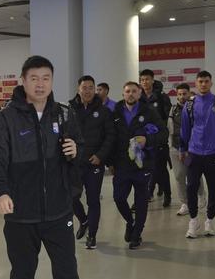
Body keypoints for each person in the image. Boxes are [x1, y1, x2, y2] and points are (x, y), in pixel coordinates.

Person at [0, 55, 92, 279]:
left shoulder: (65, 114)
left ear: (52, 81)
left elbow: (81, 150)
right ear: (23, 80)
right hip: (21, 216)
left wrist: (76, 152)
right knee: (23, 275)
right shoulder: (7, 118)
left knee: (68, 277)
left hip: (58, 213)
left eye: (46, 78)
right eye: (34, 78)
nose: (40, 84)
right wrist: (1, 192)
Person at [109, 81, 167, 249]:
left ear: (140, 93)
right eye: (128, 91)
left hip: (143, 163)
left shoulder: (149, 111)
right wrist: (110, 162)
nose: (131, 94)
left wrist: (147, 140)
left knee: (141, 201)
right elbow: (110, 138)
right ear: (123, 94)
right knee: (119, 198)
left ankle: (137, 234)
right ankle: (130, 221)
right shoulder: (115, 113)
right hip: (121, 164)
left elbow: (164, 133)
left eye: (134, 91)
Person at [180, 70, 215, 239]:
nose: (203, 84)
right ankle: (193, 221)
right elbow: (184, 129)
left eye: (206, 81)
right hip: (194, 153)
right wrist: (182, 149)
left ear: (211, 83)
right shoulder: (189, 104)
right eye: (200, 81)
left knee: (214, 188)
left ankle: (209, 220)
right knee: (191, 187)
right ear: (196, 83)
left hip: (214, 153)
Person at [69, 75, 116, 249]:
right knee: (71, 197)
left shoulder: (103, 111)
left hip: (94, 163)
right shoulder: (70, 110)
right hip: (74, 163)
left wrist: (100, 156)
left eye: (91, 88)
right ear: (78, 89)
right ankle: (84, 220)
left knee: (93, 200)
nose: (88, 91)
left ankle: (92, 235)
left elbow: (110, 136)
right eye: (84, 87)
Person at [169, 83, 205, 216]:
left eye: (184, 94)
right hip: (175, 147)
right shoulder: (173, 109)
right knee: (179, 176)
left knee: (194, 174)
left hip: (192, 148)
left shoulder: (195, 108)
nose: (182, 96)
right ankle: (185, 203)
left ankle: (201, 195)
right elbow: (169, 128)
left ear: (189, 94)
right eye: (179, 94)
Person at [139, 69, 172, 207]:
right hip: (143, 139)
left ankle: (167, 194)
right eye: (142, 80)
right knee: (144, 169)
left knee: (161, 169)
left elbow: (167, 118)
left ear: (152, 80)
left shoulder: (162, 97)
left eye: (147, 79)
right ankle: (146, 195)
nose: (145, 82)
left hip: (159, 139)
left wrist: (160, 132)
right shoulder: (139, 97)